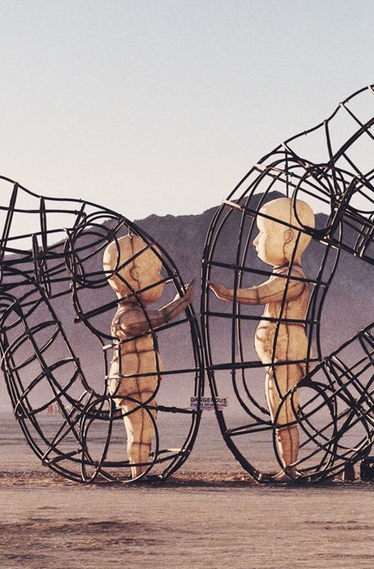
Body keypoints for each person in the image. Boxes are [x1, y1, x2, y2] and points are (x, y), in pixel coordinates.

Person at [208, 196, 314, 480]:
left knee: (284, 416)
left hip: (286, 357)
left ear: (288, 236)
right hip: (276, 358)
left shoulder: (292, 278)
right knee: (280, 415)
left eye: (263, 234)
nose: (255, 242)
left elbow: (260, 294)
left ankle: (289, 469)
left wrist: (228, 293)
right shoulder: (282, 275)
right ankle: (288, 467)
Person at [103, 234, 193, 479]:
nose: (161, 279)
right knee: (139, 429)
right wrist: (180, 303)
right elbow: (157, 319)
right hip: (129, 383)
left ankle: (140, 469)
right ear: (133, 275)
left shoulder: (132, 313)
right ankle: (138, 471)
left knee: (145, 430)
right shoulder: (125, 317)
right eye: (154, 271)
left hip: (144, 382)